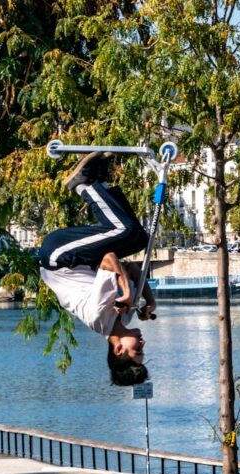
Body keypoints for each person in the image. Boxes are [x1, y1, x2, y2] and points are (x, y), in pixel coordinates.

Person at [39, 151, 156, 387]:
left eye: (137, 352)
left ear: (119, 348)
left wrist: (126, 292)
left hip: (58, 256)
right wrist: (149, 299)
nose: (142, 345)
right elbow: (131, 268)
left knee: (122, 232)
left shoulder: (99, 315)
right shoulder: (126, 313)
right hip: (79, 260)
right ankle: (99, 181)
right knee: (137, 238)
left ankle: (82, 184)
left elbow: (110, 259)